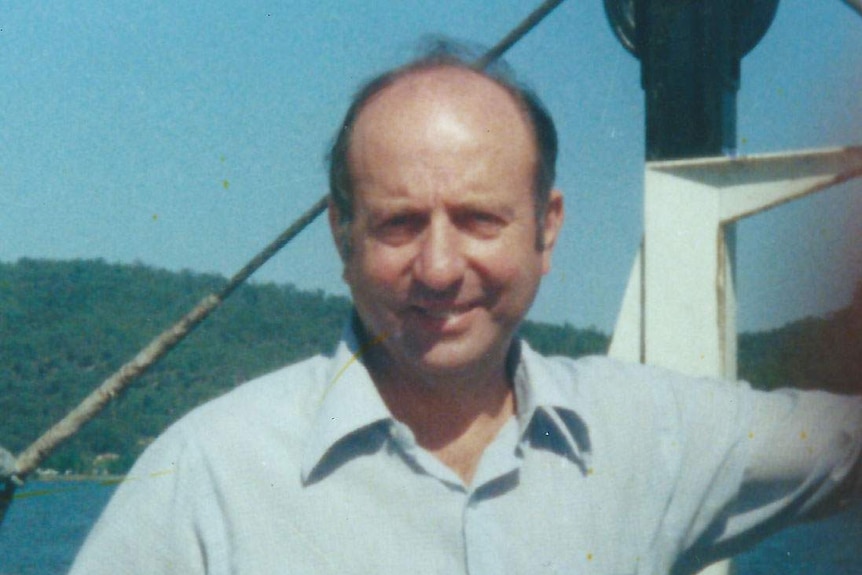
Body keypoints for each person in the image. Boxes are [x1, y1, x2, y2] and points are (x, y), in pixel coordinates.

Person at [69, 44, 861, 575]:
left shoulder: (649, 435)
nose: (441, 268)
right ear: (343, 236)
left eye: (481, 220)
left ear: (547, 229)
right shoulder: (208, 476)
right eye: (399, 223)